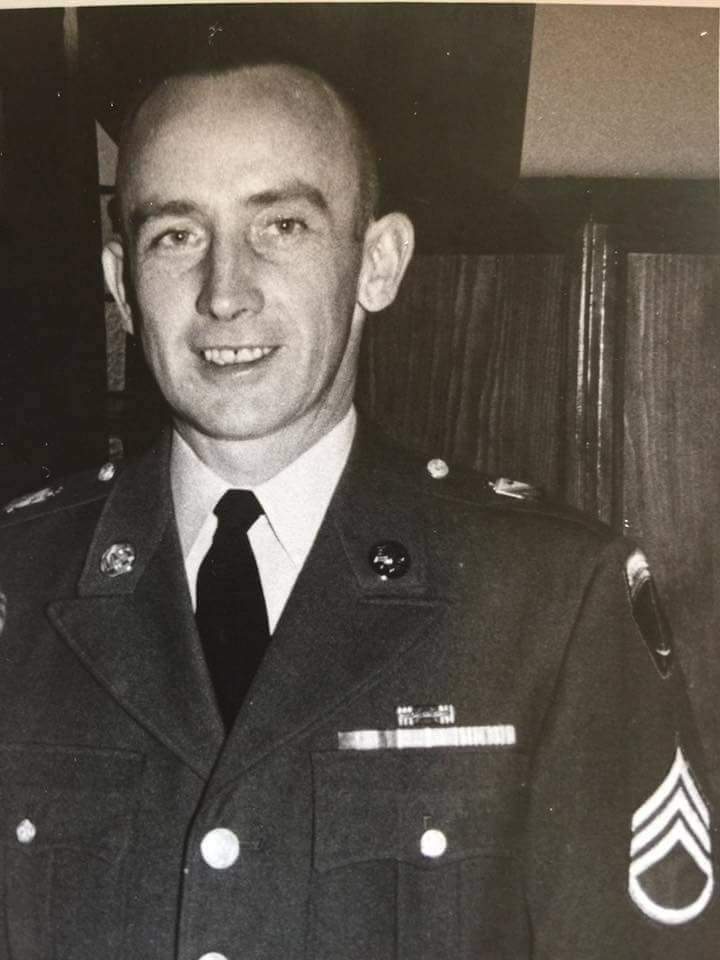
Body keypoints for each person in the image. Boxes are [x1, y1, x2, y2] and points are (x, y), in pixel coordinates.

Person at [0, 60, 716, 960]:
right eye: (176, 236)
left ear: (378, 264)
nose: (225, 292)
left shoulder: (549, 599)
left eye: (282, 225)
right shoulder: (19, 583)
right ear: (121, 286)